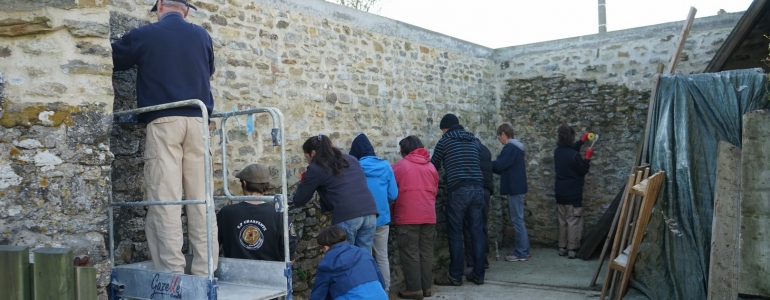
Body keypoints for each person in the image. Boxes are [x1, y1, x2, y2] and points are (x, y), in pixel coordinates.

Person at [111, 0, 218, 275]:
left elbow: (112, 57)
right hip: (199, 121)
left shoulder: (145, 34)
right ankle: (206, 273)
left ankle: (173, 275)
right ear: (185, 10)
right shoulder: (202, 35)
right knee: (201, 201)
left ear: (159, 7)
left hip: (164, 121)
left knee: (165, 200)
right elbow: (209, 70)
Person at [292, 134, 379, 252]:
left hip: (347, 215)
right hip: (370, 212)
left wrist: (305, 180)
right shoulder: (351, 159)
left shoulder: (315, 168)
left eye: (306, 157)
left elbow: (299, 199)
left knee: (345, 257)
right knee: (364, 258)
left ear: (313, 153)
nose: (308, 162)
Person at [431, 113, 486, 286]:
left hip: (458, 190)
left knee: (455, 234)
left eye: (442, 130)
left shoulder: (445, 141)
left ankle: (455, 275)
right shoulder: (474, 141)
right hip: (478, 189)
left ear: (445, 128)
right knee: (477, 233)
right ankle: (478, 274)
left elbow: (433, 167)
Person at [217, 164, 298, 262]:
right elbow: (289, 256)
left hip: (233, 273)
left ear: (244, 183)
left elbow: (212, 244)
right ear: (266, 185)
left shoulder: (226, 213)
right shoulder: (279, 214)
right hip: (270, 274)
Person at [349, 134, 398, 291]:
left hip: (362, 218)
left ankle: (368, 290)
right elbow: (393, 194)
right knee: (382, 256)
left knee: (365, 256)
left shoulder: (355, 167)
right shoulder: (385, 166)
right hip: (382, 218)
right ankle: (385, 290)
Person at [392, 136, 439, 299]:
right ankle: (426, 288)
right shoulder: (431, 167)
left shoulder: (399, 166)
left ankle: (414, 289)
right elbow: (435, 190)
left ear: (403, 150)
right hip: (429, 214)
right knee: (426, 252)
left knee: (410, 251)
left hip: (407, 215)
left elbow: (391, 191)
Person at [309, 226, 388, 300]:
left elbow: (318, 295)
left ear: (325, 247)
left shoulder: (327, 264)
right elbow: (381, 280)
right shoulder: (363, 253)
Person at [492, 123, 530, 262]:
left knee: (517, 220)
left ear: (503, 134)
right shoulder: (517, 148)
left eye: (499, 136)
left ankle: (521, 252)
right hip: (517, 188)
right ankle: (523, 250)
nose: (499, 140)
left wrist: (484, 164)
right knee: (518, 219)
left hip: (514, 188)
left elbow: (500, 165)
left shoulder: (510, 148)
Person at [553, 125, 593, 259]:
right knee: (573, 222)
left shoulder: (557, 152)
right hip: (573, 194)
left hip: (560, 193)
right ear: (571, 138)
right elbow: (582, 170)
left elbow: (571, 151)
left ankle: (562, 247)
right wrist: (587, 158)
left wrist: (582, 141)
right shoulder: (574, 156)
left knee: (562, 221)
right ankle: (572, 248)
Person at [463, 140, 492, 273]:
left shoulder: (469, 149)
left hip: (472, 189)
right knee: (481, 226)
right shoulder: (485, 149)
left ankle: (472, 262)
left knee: (470, 228)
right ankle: (483, 261)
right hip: (485, 190)